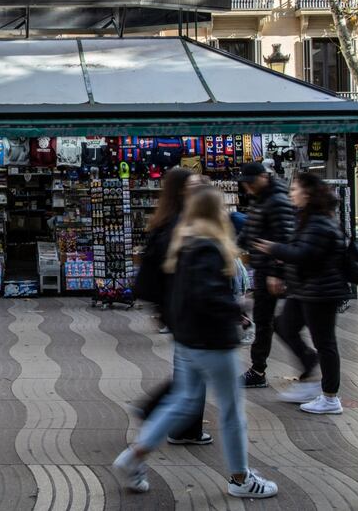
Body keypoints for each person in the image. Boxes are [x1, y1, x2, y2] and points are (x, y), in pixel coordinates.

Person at [114, 186, 278, 499]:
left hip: (189, 339)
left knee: (183, 401)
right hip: (212, 341)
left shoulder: (184, 243)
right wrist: (237, 309)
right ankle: (241, 478)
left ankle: (133, 456)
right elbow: (207, 295)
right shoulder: (208, 247)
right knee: (231, 411)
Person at [253, 172, 349, 414]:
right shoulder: (305, 218)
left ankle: (330, 397)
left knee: (325, 342)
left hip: (321, 292)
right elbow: (297, 251)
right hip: (304, 289)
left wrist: (274, 248)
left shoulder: (319, 222)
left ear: (307, 193)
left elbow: (304, 254)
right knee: (284, 325)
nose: (291, 193)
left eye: (295, 189)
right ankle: (310, 369)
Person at [133, 168, 212, 445]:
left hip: (180, 308)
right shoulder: (179, 224)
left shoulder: (169, 220)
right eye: (192, 183)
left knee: (191, 368)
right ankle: (164, 417)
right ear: (180, 190)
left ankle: (177, 424)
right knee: (196, 371)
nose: (198, 186)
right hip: (187, 308)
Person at [237, 161, 296, 388]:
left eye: (250, 182)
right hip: (262, 270)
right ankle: (259, 368)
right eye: (245, 184)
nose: (247, 188)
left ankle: (258, 370)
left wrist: (275, 272)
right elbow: (250, 231)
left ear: (264, 177)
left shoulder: (277, 201)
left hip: (271, 272)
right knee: (265, 320)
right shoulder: (260, 200)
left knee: (266, 322)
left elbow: (284, 238)